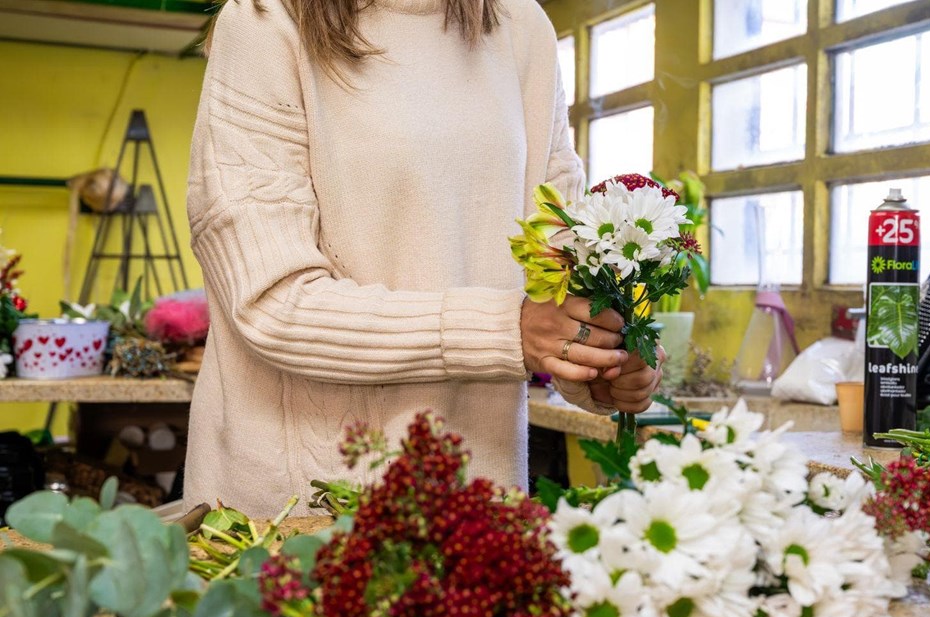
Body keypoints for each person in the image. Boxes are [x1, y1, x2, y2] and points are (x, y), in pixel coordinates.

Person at [184, 0, 664, 516]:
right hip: (297, 507)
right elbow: (272, 304)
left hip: (475, 499)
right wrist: (509, 330)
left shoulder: (520, 25)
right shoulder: (265, 21)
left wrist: (600, 361)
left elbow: (554, 272)